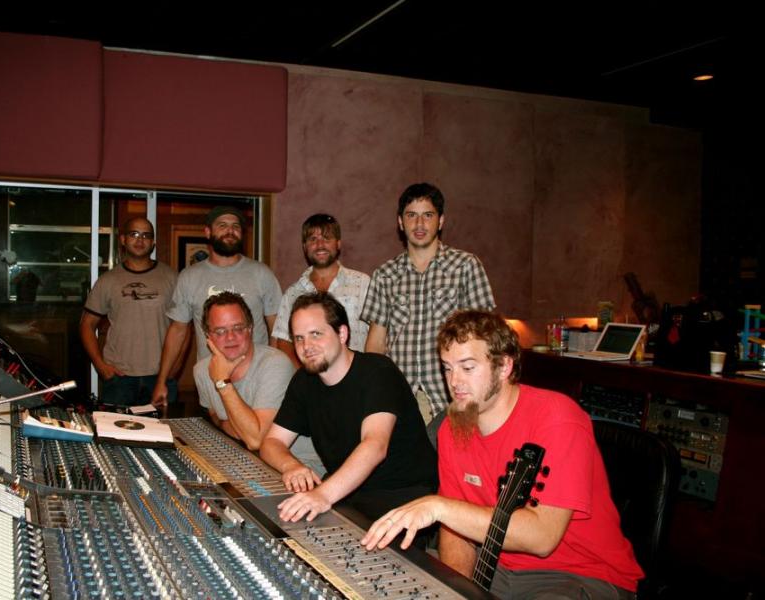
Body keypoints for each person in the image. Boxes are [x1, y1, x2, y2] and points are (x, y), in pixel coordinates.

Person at [361, 311, 643, 599]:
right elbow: (457, 533)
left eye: (467, 367)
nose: (454, 381)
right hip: (496, 565)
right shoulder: (452, 429)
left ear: (504, 366)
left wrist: (439, 507)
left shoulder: (557, 419)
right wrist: (457, 591)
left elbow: (543, 537)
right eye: (447, 368)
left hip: (578, 573)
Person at [260, 292, 437, 530]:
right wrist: (290, 466)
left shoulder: (378, 372)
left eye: (316, 334)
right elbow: (271, 442)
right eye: (299, 338)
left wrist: (323, 495)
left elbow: (375, 445)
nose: (306, 346)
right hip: (348, 495)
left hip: (404, 500)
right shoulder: (304, 381)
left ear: (342, 334)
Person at [361, 182, 496, 434]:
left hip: (452, 394)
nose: (419, 224)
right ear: (400, 222)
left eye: (428, 215)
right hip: (400, 396)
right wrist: (376, 392)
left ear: (441, 221)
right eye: (411, 215)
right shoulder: (385, 275)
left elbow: (486, 335)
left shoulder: (465, 266)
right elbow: (376, 344)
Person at [151, 206, 282, 410]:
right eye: (222, 225)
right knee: (216, 428)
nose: (230, 231)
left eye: (236, 226)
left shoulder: (261, 274)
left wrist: (274, 370)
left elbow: (278, 329)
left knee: (255, 430)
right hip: (212, 380)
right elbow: (177, 331)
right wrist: (162, 381)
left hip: (256, 379)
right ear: (208, 232)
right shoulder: (189, 277)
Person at [194, 291, 321, 470]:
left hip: (299, 465)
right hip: (245, 461)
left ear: (250, 328)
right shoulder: (201, 370)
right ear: (208, 336)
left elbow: (255, 440)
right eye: (220, 331)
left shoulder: (275, 364)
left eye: (238, 328)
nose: (230, 337)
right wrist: (236, 427)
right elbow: (217, 419)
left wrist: (222, 382)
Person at [80, 217, 177, 406]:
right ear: (123, 239)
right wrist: (100, 365)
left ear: (153, 242)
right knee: (116, 426)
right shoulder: (107, 280)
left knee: (163, 426)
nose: (140, 240)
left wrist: (175, 369)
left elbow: (182, 327)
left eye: (146, 235)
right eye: (134, 234)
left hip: (160, 377)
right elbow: (86, 325)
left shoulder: (171, 277)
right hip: (119, 379)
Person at [272, 213, 371, 365]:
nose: (320, 245)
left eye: (326, 238)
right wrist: (304, 375)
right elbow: (283, 343)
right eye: (313, 239)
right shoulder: (292, 293)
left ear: (338, 243)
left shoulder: (363, 284)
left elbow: (379, 335)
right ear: (304, 247)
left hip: (358, 375)